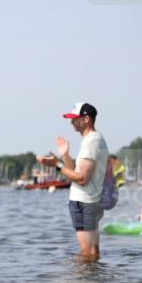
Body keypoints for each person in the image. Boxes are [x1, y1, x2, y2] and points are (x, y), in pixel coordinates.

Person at [37, 102, 109, 261]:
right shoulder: (93, 140)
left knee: (87, 254)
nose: (71, 122)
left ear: (86, 119)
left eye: (74, 119)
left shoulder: (91, 141)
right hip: (88, 202)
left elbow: (82, 179)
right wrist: (65, 155)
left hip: (85, 203)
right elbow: (75, 175)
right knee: (92, 254)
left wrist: (56, 165)